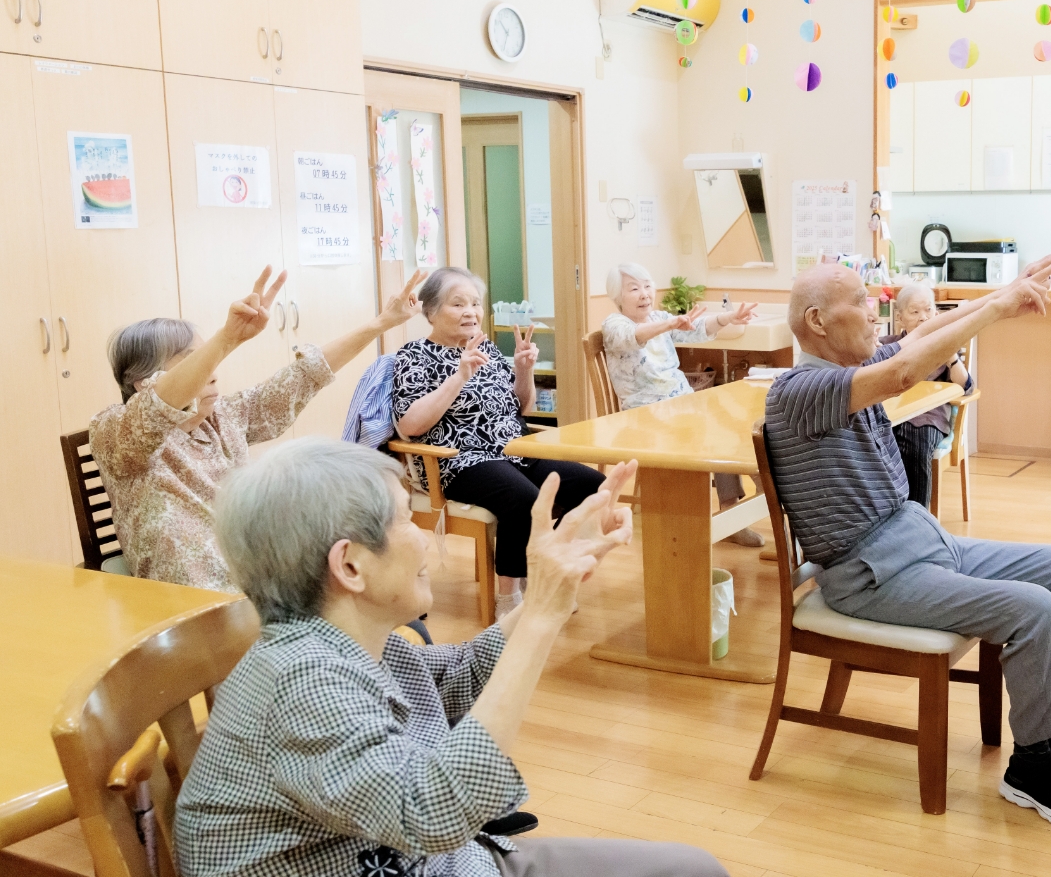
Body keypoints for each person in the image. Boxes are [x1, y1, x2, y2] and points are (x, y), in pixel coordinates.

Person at [175, 438, 729, 877]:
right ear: (349, 566)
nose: (425, 539)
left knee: (693, 870)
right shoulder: (302, 682)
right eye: (405, 521)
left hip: (452, 863)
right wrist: (538, 619)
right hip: (426, 855)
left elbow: (460, 676)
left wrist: (547, 589)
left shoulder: (352, 641)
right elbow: (431, 810)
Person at [762, 251, 1051, 829]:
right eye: (861, 302)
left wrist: (1001, 296)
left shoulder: (850, 371)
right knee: (1032, 609)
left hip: (917, 539)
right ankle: (1031, 766)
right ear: (817, 321)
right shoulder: (799, 391)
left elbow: (921, 334)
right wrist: (998, 311)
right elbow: (902, 372)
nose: (874, 313)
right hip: (870, 576)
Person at [89, 268, 425, 590]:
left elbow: (304, 376)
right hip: (193, 607)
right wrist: (228, 337)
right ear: (142, 382)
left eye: (209, 357)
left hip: (260, 586)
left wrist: (382, 323)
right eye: (196, 360)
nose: (213, 370)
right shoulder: (113, 431)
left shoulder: (222, 417)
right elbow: (154, 410)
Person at [393, 267, 604, 616]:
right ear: (430, 312)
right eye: (457, 304)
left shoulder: (486, 347)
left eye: (475, 303)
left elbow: (521, 406)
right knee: (524, 499)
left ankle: (546, 573)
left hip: (517, 449)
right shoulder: (413, 356)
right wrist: (460, 375)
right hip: (461, 459)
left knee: (592, 486)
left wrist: (523, 370)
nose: (471, 312)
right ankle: (509, 599)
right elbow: (411, 424)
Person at [599, 262, 764, 546]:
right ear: (618, 297)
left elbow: (697, 328)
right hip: (646, 416)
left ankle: (739, 510)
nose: (644, 294)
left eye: (648, 286)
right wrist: (669, 324)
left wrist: (728, 318)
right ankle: (753, 503)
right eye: (634, 289)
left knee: (736, 426)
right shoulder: (615, 325)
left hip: (682, 406)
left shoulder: (660, 317)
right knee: (723, 433)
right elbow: (633, 337)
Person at [878, 280, 973, 507]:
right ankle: (888, 516)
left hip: (929, 417)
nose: (924, 317)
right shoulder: (889, 346)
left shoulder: (945, 345)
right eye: (915, 311)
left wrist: (951, 357)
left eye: (929, 309)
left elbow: (966, 386)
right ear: (899, 317)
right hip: (892, 416)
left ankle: (918, 517)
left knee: (915, 442)